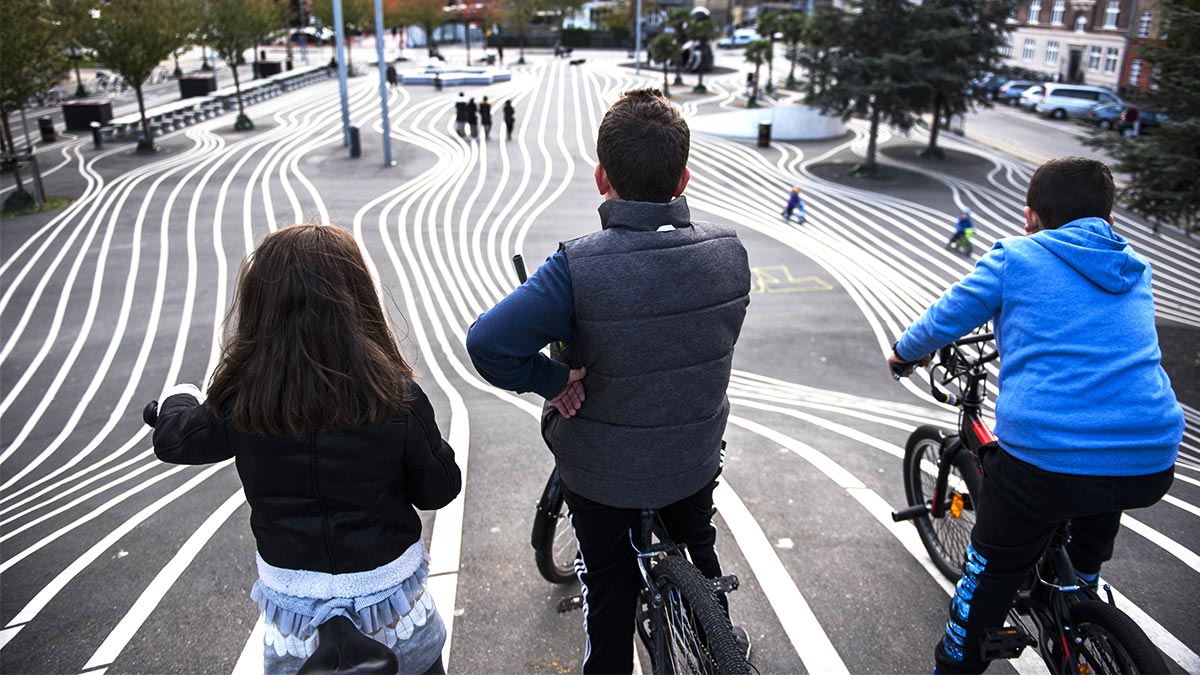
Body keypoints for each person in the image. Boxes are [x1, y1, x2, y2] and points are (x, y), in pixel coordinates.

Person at [465, 88, 752, 674]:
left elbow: (487, 344)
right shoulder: (730, 254)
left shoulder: (577, 268)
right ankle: (718, 631)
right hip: (692, 453)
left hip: (602, 474)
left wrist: (553, 378)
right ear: (683, 178)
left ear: (601, 177)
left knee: (609, 597)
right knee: (698, 543)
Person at [887, 157, 1183, 675]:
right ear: (1109, 223)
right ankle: (1081, 596)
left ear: (1030, 217)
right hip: (1151, 453)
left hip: (1048, 458)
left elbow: (945, 317)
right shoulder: (1133, 265)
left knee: (989, 574)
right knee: (1097, 484)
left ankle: (956, 664)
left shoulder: (1017, 258)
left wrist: (903, 353)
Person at [151, 224, 462, 675]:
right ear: (358, 300)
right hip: (392, 610)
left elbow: (175, 438)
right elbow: (439, 490)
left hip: (299, 621)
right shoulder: (395, 398)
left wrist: (181, 396)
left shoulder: (243, 401)